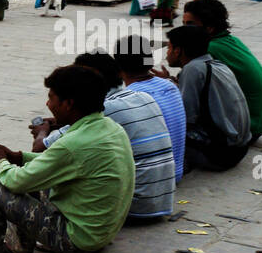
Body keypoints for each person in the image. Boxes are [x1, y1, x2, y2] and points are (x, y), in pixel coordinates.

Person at [0, 65, 134, 253]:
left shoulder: (72, 144)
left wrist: (1, 163)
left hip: (78, 240)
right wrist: (17, 157)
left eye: (51, 98)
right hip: (102, 231)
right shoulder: (111, 128)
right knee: (36, 176)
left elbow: (17, 182)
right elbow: (51, 163)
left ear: (69, 103)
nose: (48, 104)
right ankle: (20, 250)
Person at [36, 52, 174, 221]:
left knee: (50, 174)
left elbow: (41, 149)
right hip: (162, 201)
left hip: (133, 207)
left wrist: (42, 131)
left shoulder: (103, 110)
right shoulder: (142, 97)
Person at [156, 25, 250, 172]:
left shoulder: (193, 70)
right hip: (241, 147)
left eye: (168, 48)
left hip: (222, 155)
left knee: (157, 128)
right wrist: (169, 80)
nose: (167, 53)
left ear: (178, 50)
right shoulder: (216, 64)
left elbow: (185, 117)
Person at [183, 0, 262, 141]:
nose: (184, 30)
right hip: (258, 121)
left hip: (247, 127)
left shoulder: (209, 49)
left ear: (209, 28)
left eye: (190, 24)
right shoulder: (231, 40)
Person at [115, 36, 186, 184]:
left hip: (152, 181)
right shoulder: (170, 86)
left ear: (118, 66)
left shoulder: (130, 97)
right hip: (176, 172)